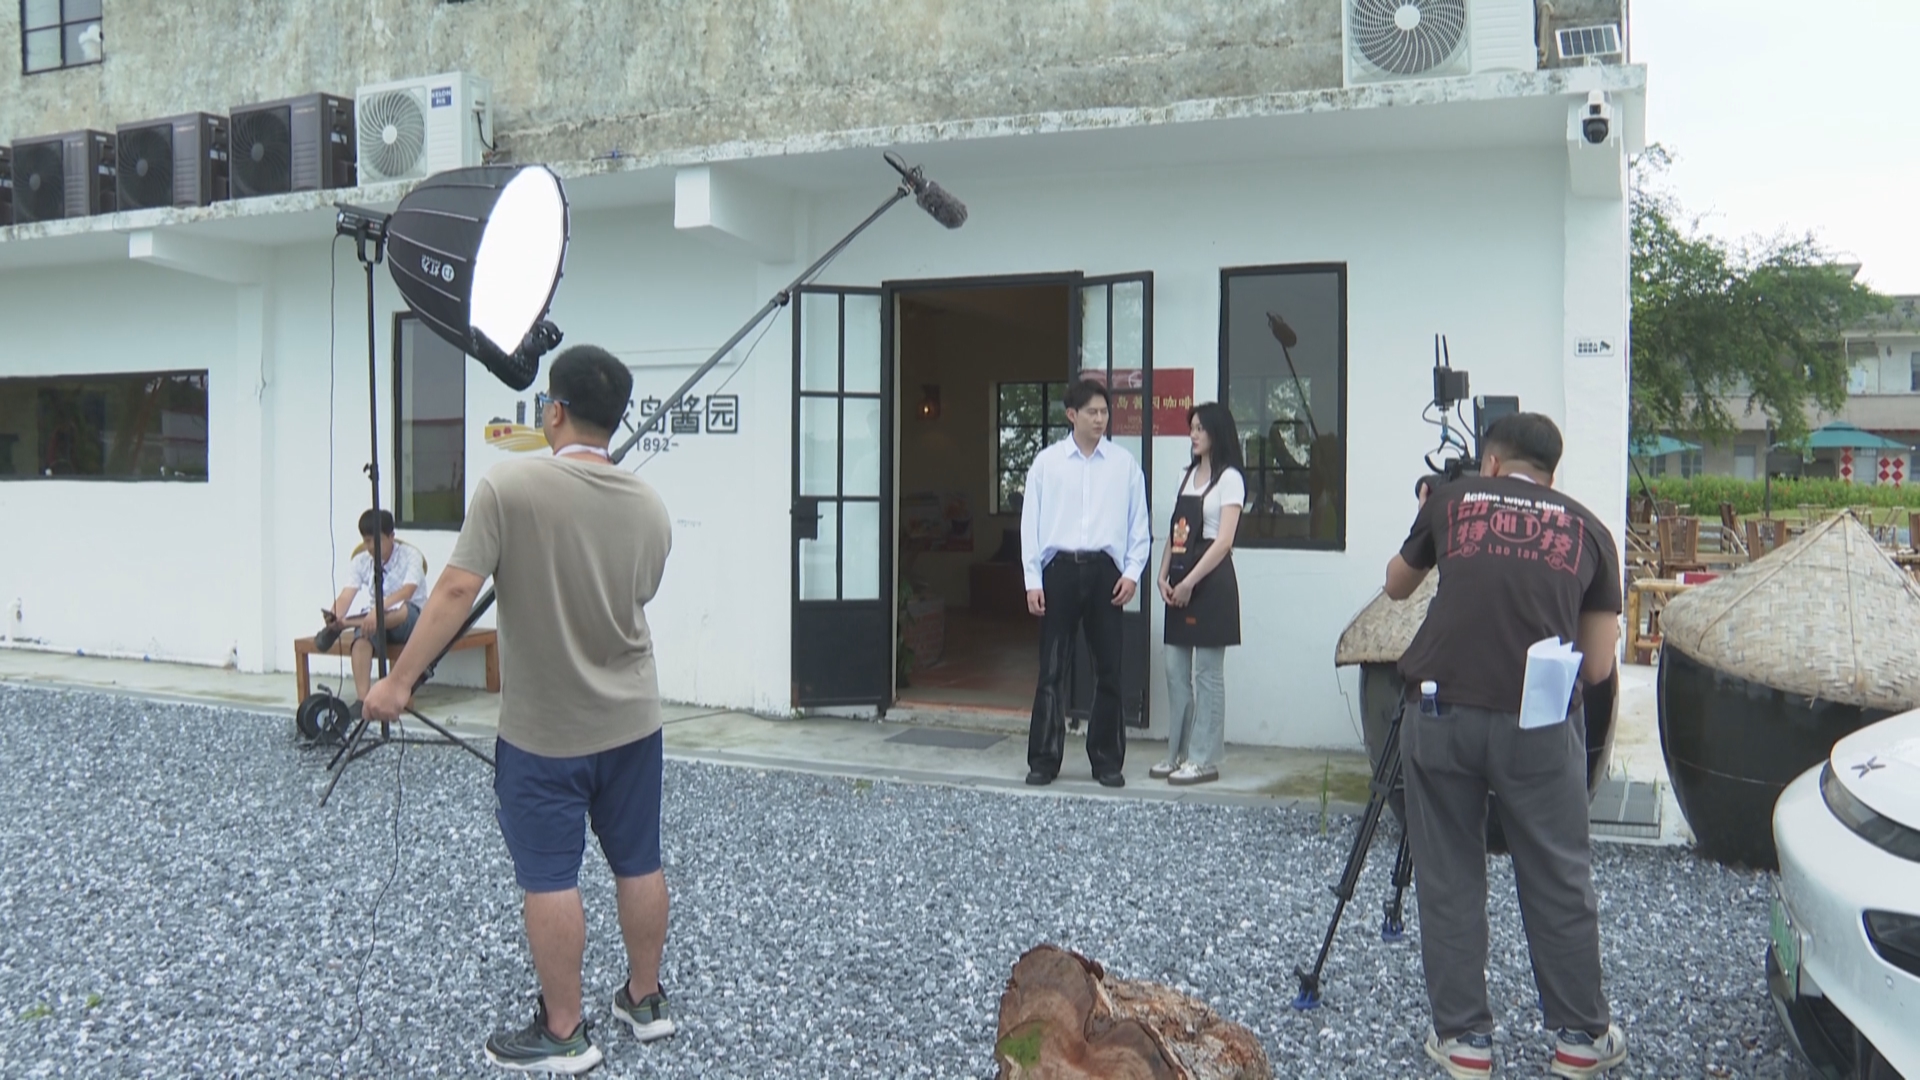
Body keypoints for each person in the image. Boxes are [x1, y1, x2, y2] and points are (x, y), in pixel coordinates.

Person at [364, 345, 675, 1075]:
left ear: (553, 411)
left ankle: (565, 1032)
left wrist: (397, 683)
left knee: (551, 876)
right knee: (639, 860)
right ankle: (646, 1000)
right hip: (635, 720)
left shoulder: (510, 486)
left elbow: (452, 592)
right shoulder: (649, 505)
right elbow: (639, 594)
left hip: (546, 732)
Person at [1384, 413, 1626, 1080]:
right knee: (1557, 870)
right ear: (1551, 473)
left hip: (1440, 710)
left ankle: (1465, 1041)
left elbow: (1396, 584)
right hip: (1539, 724)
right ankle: (1579, 1038)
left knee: (1449, 872)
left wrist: (1436, 523)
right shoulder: (1588, 529)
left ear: (1490, 463)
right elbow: (1598, 665)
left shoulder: (1451, 501)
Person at [1019, 377, 1151, 788]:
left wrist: (1132, 572)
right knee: (1052, 669)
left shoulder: (1124, 465)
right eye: (1092, 412)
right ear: (1071, 415)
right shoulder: (1047, 463)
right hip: (1058, 569)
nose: (1100, 418)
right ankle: (1044, 760)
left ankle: (1107, 760)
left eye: (1104, 412)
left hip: (1106, 573)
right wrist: (1032, 579)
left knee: (1109, 670)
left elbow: (1139, 525)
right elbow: (1030, 525)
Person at [1150, 402, 1244, 786]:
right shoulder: (1184, 475)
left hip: (1211, 581)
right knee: (1175, 671)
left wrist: (1191, 581)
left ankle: (1203, 758)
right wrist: (1163, 575)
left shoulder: (1230, 479)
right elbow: (1177, 532)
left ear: (1216, 433)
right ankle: (1176, 752)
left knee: (1207, 674)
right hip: (1179, 575)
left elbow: (1223, 541)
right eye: (1192, 428)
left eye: (1200, 428)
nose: (1193, 434)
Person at [313, 509, 428, 704]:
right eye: (366, 541)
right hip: (374, 620)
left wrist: (377, 611)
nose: (371, 547)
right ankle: (363, 700)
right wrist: (335, 614)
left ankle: (347, 624)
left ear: (391, 536)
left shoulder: (411, 555)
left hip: (410, 619)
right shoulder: (361, 561)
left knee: (402, 611)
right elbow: (347, 594)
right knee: (361, 639)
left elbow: (406, 592)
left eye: (376, 540)